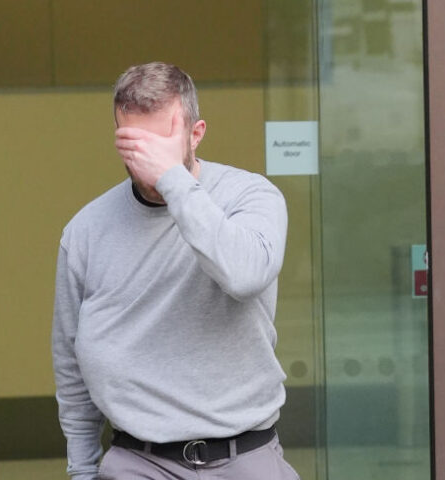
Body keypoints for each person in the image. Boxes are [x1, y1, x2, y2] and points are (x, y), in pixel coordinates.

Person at [52, 62, 297, 480]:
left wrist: (172, 179)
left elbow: (245, 275)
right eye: (133, 142)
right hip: (138, 461)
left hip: (245, 458)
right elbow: (70, 365)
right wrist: (82, 471)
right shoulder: (85, 232)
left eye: (159, 141)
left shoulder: (250, 197)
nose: (145, 157)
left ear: (196, 133)